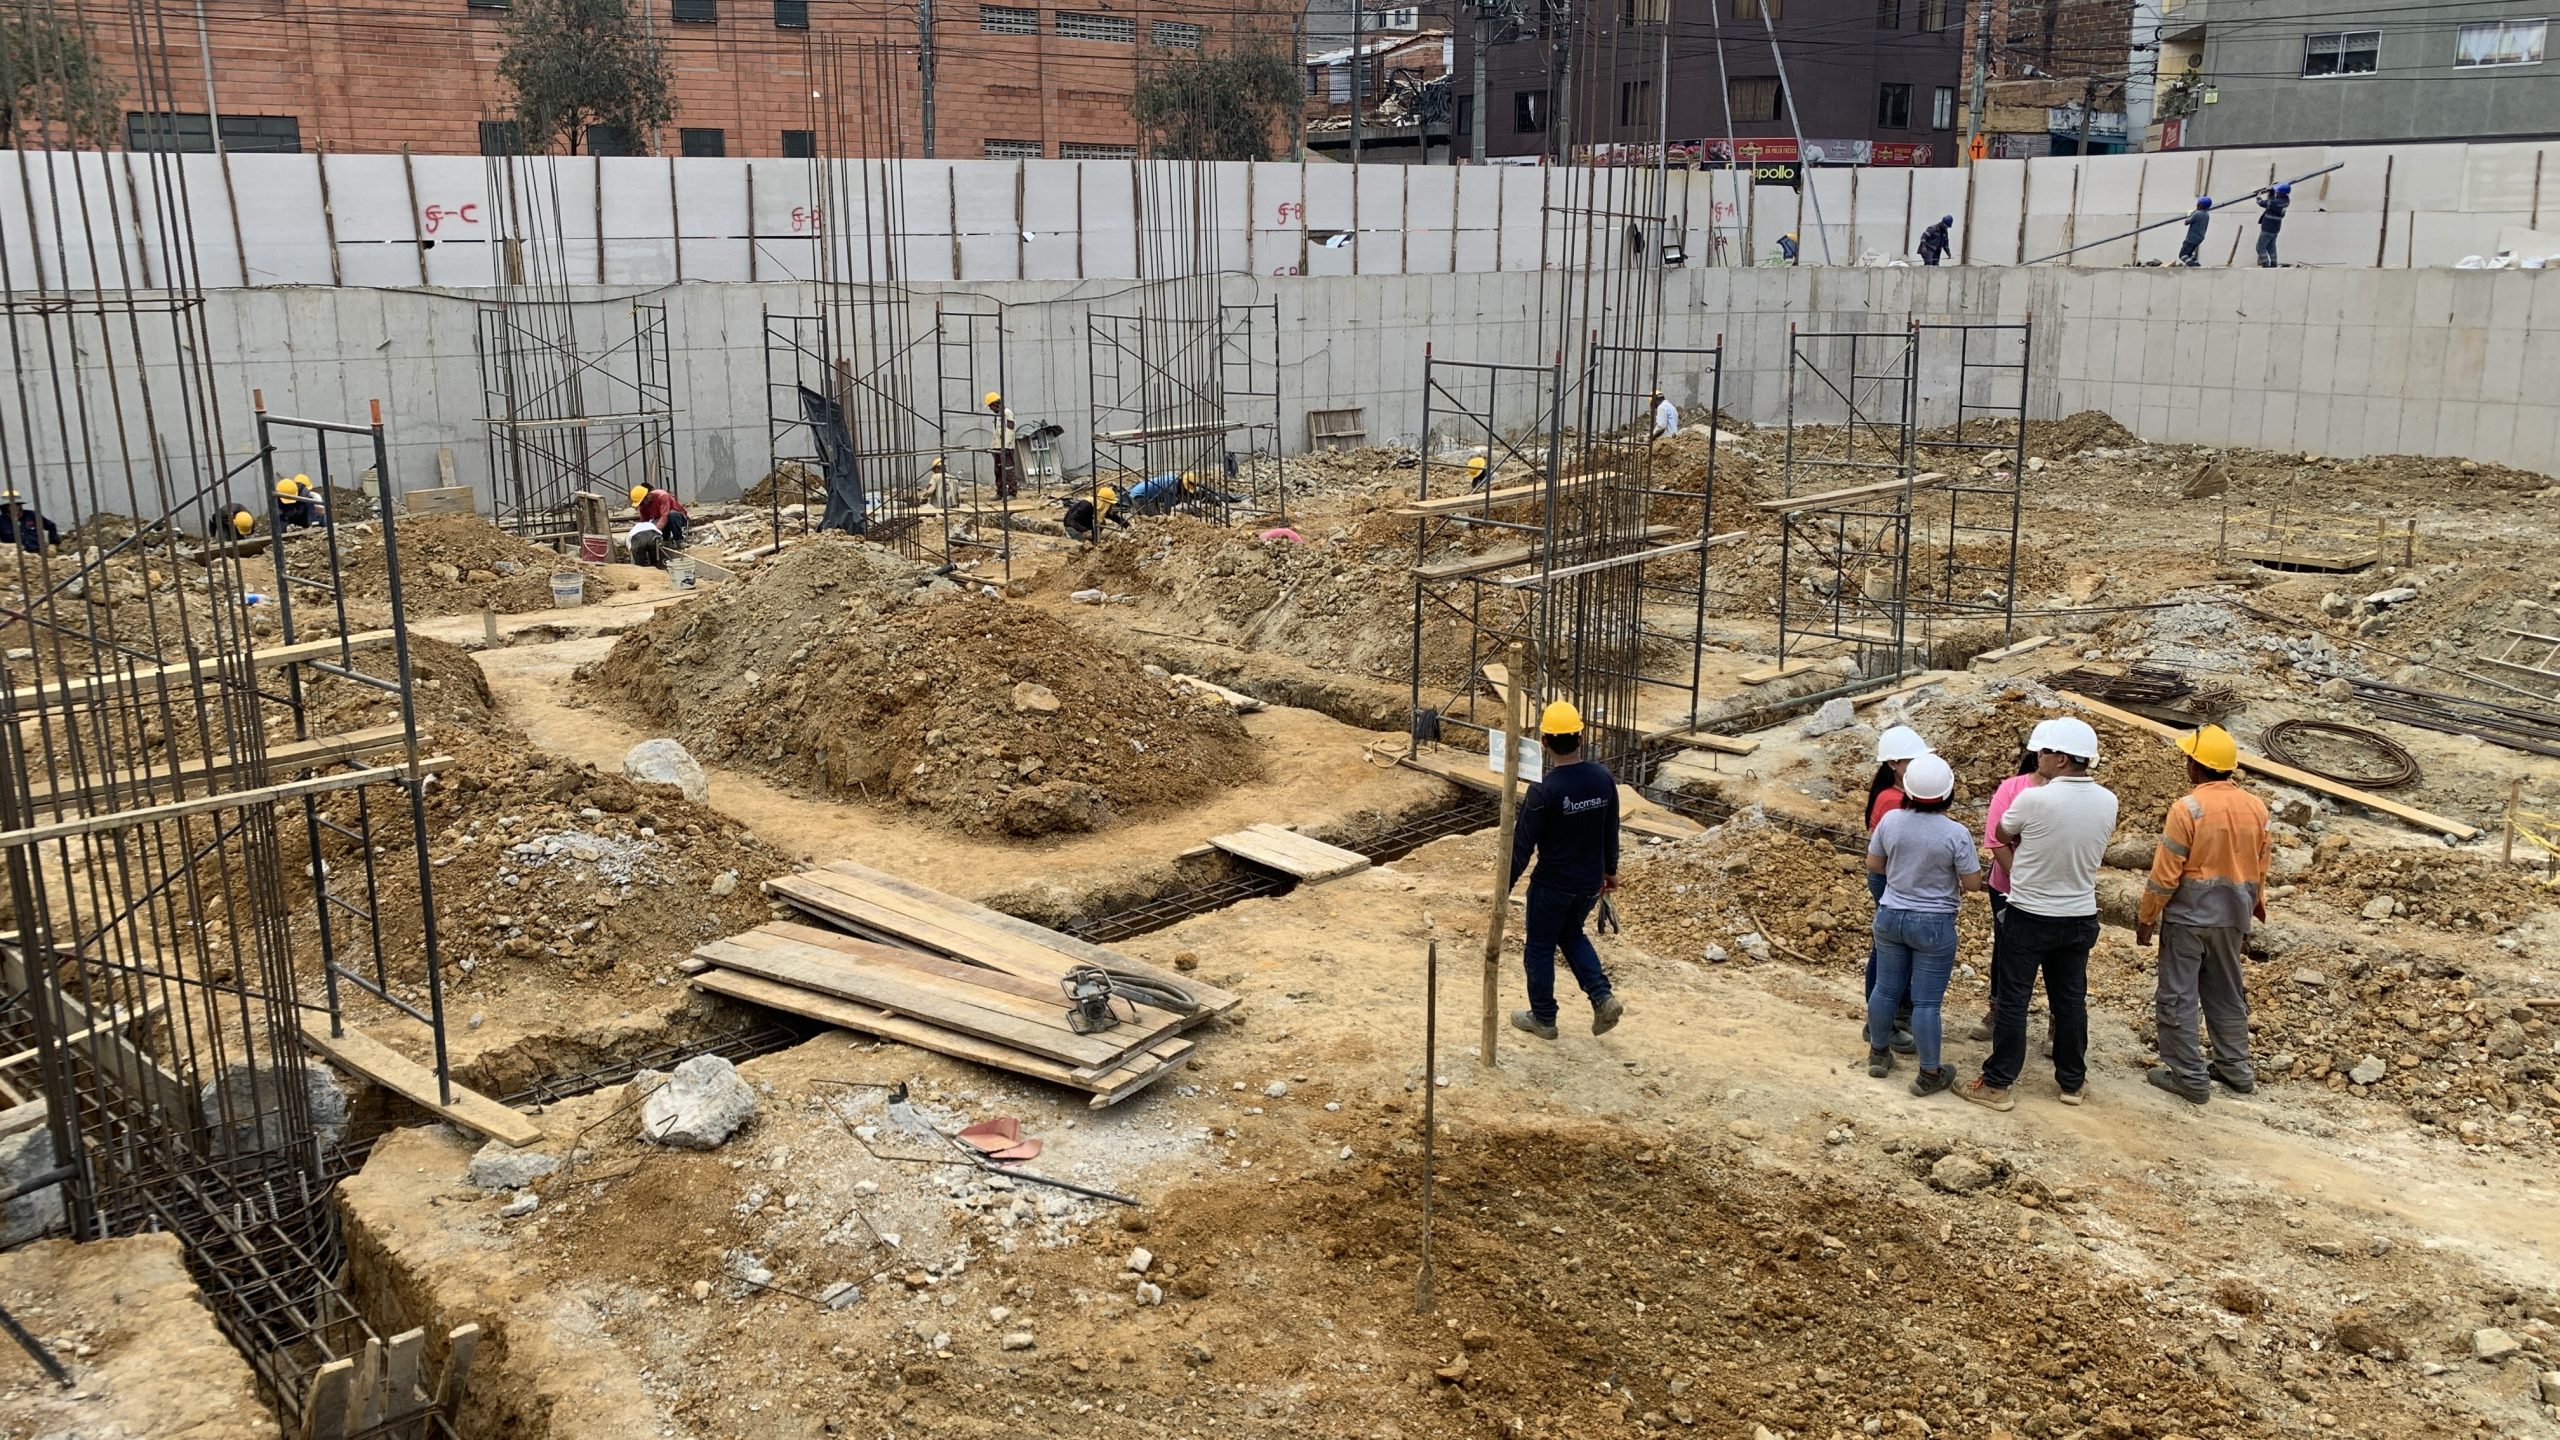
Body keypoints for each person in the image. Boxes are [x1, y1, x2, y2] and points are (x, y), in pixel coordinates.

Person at [1961, 718, 2117, 1111]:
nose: (2037, 756)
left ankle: (1997, 1084)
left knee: (2014, 1000)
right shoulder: (2107, 800)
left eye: (2044, 751)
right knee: (2070, 1000)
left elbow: (2002, 828)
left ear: (2061, 759)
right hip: (2080, 916)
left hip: (2030, 913)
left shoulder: (2032, 799)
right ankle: (2072, 1082)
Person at [2136, 724, 2272, 1105]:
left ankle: (2189, 1077)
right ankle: (2235, 1070)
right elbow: (2261, 866)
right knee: (2227, 993)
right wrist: (2251, 912)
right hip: (2232, 918)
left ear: (2197, 766)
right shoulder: (2256, 807)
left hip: (2188, 920)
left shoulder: (2188, 808)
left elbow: (2165, 873)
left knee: (2178, 996)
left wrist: (2148, 917)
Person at [1506, 700, 1625, 1040]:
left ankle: (1543, 1018)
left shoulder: (1544, 791)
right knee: (1571, 934)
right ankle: (1602, 997)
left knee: (1540, 947)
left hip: (1552, 887)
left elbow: (1521, 847)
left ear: (1544, 742)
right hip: (1589, 882)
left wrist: (1504, 888)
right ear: (1581, 738)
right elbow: (1610, 828)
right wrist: (1610, 870)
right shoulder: (1602, 778)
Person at [1864, 753, 1978, 1095]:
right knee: (1927, 1003)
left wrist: (1904, 873)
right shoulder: (1956, 833)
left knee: (1885, 988)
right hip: (1933, 924)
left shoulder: (1891, 821)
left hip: (1890, 916)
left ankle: (1879, 1054)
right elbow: (1972, 883)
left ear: (1908, 791)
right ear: (1948, 793)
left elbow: (1874, 863)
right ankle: (1929, 1073)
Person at [1862, 724, 1933, 1055]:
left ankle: (1893, 1015)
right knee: (1887, 948)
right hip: (1891, 877)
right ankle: (1881, 1023)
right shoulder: (1893, 801)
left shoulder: (1899, 796)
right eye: (1910, 760)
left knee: (1892, 947)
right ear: (1893, 764)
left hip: (1895, 875)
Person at [1967, 740, 2044, 1043]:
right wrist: (2021, 880)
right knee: (2006, 948)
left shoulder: (2075, 797)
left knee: (2055, 958)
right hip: (2008, 887)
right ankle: (1998, 1009)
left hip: (2052, 892)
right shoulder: (2012, 789)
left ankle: (2056, 1022)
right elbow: (1996, 840)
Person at [986, 392, 1024, 500]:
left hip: (1006, 447)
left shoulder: (1007, 413)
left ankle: (1012, 493)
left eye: (991, 406)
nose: (990, 409)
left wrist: (1005, 446)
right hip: (997, 447)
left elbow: (1010, 430)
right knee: (998, 471)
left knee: (1008, 470)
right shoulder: (996, 415)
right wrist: (993, 446)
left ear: (996, 403)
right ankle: (1000, 492)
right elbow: (996, 433)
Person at [1, 489, 57, 554]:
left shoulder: (32, 515)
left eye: (17, 505)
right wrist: (9, 546)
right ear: (5, 507)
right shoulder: (1, 521)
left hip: (37, 552)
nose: (15, 507)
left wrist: (52, 544)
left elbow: (51, 526)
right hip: (14, 555)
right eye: (10, 505)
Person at [2254, 183, 2289, 268]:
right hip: (2275, 229)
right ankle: (2274, 263)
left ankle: (2265, 263)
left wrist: (2258, 196)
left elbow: (2262, 203)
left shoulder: (2276, 203)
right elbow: (2273, 199)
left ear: (2279, 193)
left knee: (2260, 247)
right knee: (2271, 247)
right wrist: (2272, 190)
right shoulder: (2286, 201)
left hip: (2268, 228)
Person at [2177, 197, 2213, 267]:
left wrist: (2189, 214)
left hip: (2191, 239)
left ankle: (2194, 266)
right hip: (2199, 238)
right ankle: (2197, 265)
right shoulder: (2206, 215)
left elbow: (2186, 222)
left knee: (2182, 255)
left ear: (2200, 205)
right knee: (2189, 254)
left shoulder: (2197, 214)